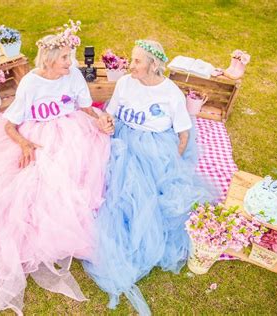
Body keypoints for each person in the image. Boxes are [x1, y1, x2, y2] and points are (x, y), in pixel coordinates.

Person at [0, 33, 112, 315]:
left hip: (72, 130)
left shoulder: (74, 76)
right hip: (38, 134)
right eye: (66, 58)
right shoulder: (31, 82)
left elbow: (85, 106)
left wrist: (100, 119)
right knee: (30, 180)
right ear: (50, 60)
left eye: (70, 56)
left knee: (81, 164)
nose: (71, 61)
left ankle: (72, 215)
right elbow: (10, 124)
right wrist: (23, 143)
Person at [83, 40, 219, 315]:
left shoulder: (171, 93)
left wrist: (173, 164)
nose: (130, 65)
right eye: (131, 60)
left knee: (144, 193)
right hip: (123, 138)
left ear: (153, 65)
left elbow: (183, 134)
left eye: (136, 61)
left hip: (154, 146)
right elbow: (111, 113)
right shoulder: (125, 83)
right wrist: (107, 122)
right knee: (108, 183)